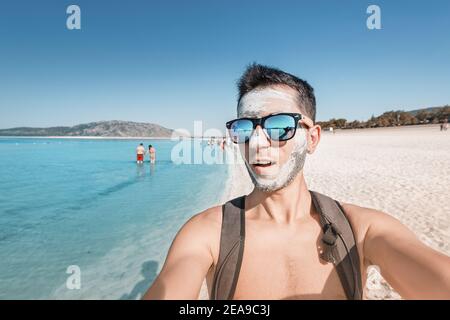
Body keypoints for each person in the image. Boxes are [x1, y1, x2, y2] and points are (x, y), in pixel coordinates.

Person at [144, 64, 450, 300]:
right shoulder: (206, 235)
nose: (257, 143)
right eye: (245, 128)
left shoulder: (362, 230)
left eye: (278, 125)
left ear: (312, 138)